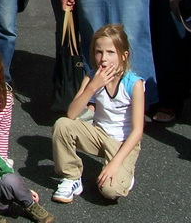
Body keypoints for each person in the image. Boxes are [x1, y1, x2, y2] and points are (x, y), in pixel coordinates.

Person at [51, 25, 144, 204]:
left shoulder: (134, 84)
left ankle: (124, 174)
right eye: (98, 52)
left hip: (123, 143)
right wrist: (93, 86)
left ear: (124, 56)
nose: (103, 58)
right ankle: (71, 177)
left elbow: (137, 131)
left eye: (111, 52)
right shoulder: (92, 76)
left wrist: (114, 164)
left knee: (110, 191)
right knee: (62, 125)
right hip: (99, 135)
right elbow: (71, 114)